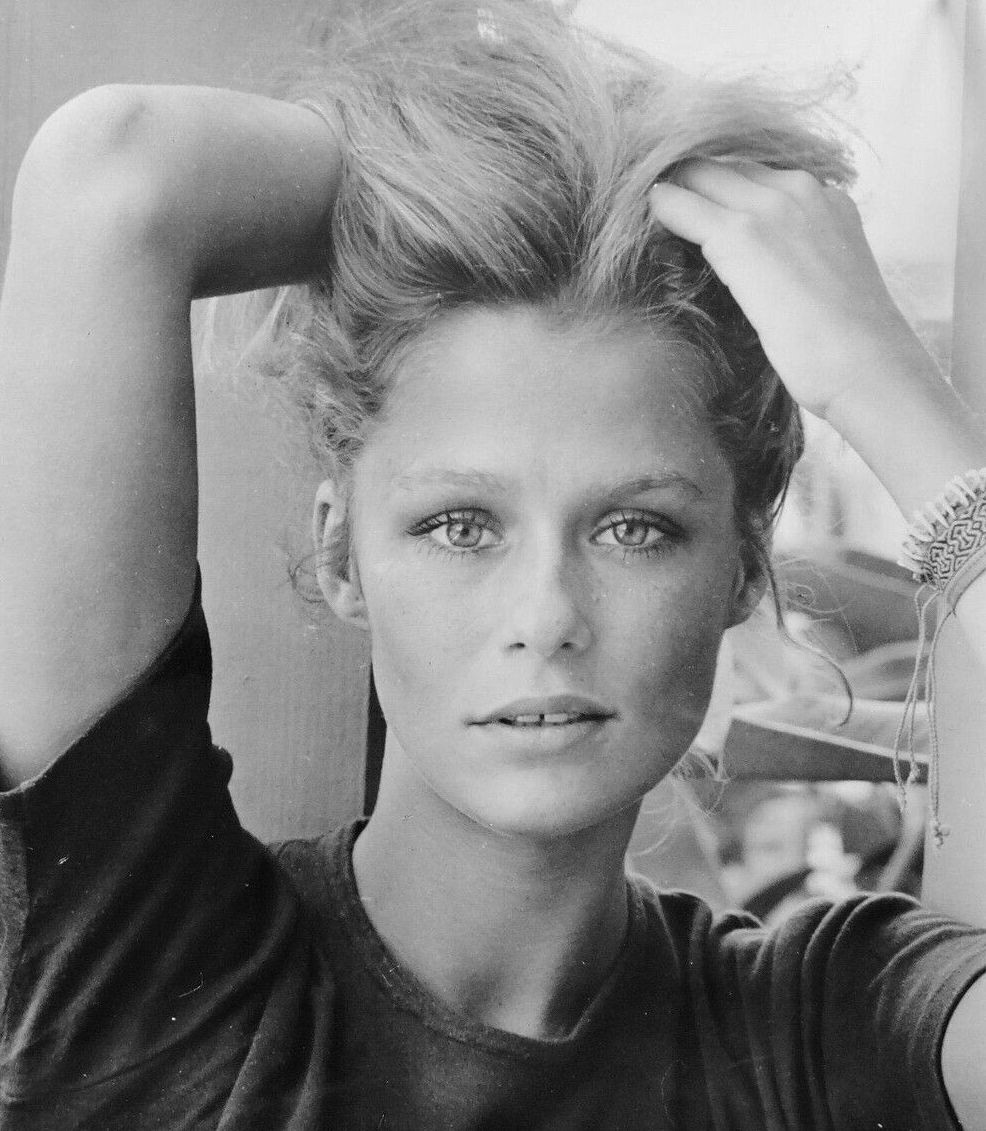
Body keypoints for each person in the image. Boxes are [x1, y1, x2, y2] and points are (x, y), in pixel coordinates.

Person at [1, 1, 985, 1126]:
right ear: (341, 552)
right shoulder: (146, 974)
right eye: (459, 525)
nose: (546, 614)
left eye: (633, 528)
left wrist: (878, 379)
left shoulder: (825, 1039)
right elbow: (120, 174)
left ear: (742, 570)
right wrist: (479, 163)